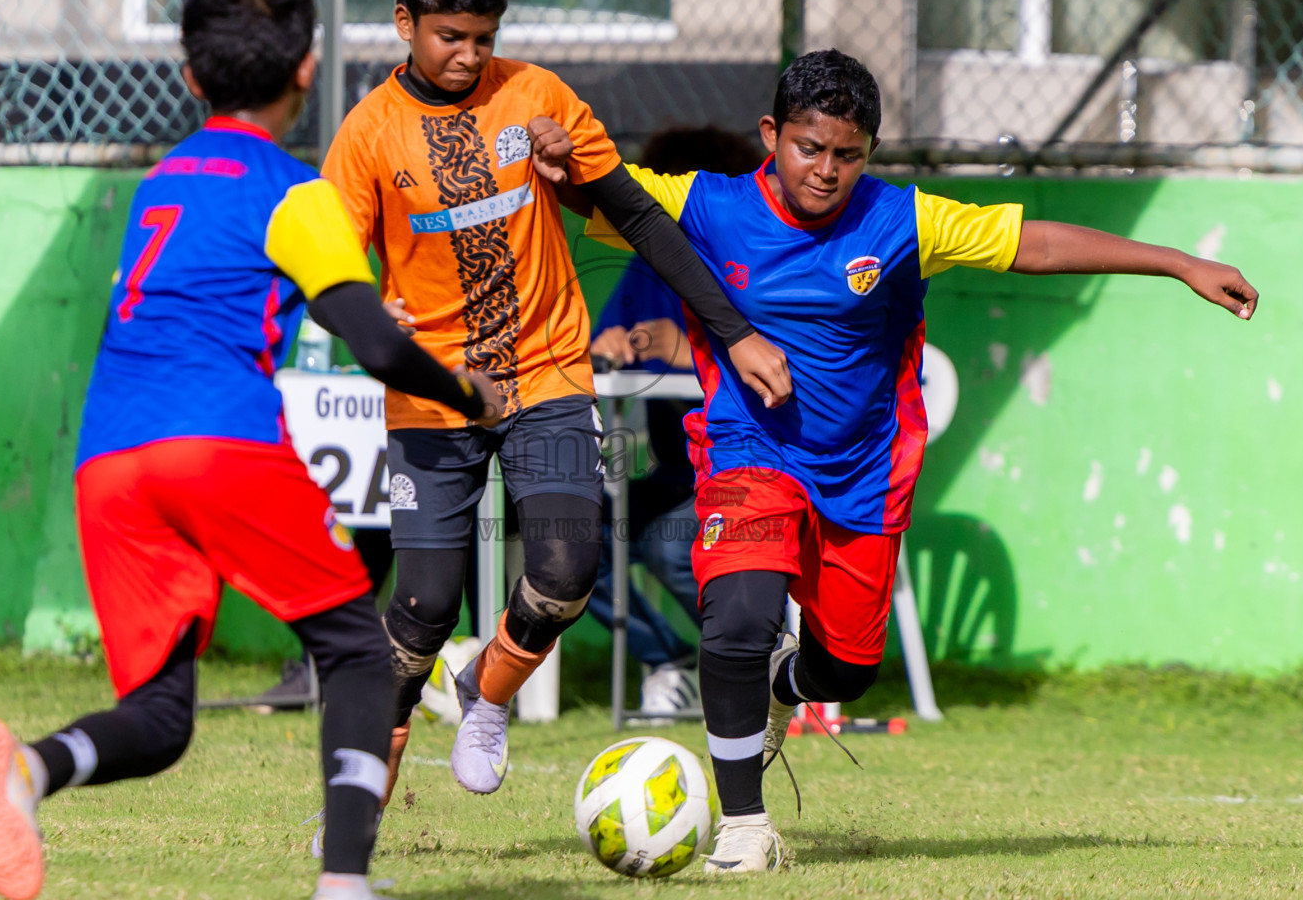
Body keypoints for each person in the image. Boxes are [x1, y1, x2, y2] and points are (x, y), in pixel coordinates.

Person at [536, 48, 1260, 874]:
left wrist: (1180, 263)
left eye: (848, 154)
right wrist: (558, 163)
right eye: (810, 148)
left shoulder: (902, 221)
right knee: (735, 620)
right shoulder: (706, 203)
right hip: (748, 449)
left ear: (869, 152)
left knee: (847, 666)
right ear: (772, 135)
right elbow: (601, 194)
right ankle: (743, 827)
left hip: (861, 472)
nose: (826, 170)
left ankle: (784, 688)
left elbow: (1037, 243)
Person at [0, 0, 502, 900]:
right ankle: (342, 885)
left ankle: (28, 774)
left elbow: (222, 294)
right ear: (308, 66)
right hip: (218, 440)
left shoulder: (160, 182)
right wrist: (467, 393)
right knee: (359, 653)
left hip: (109, 459)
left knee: (163, 719)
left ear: (190, 78)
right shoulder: (296, 192)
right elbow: (371, 342)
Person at [319, 0, 790, 801]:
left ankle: (485, 696)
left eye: (484, 37)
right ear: (402, 24)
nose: (468, 56)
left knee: (569, 568)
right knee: (421, 612)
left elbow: (645, 221)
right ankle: (352, 818)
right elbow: (329, 269)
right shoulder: (366, 136)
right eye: (448, 37)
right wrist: (362, 311)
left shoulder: (539, 100)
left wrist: (735, 334)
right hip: (433, 394)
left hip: (547, 377)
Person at [584, 127, 766, 715]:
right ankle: (668, 659)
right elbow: (604, 354)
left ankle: (756, 660)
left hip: (753, 464)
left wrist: (687, 349)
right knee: (567, 531)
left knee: (670, 549)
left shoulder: (758, 262)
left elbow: (786, 367)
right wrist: (609, 345)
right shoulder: (647, 269)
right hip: (677, 470)